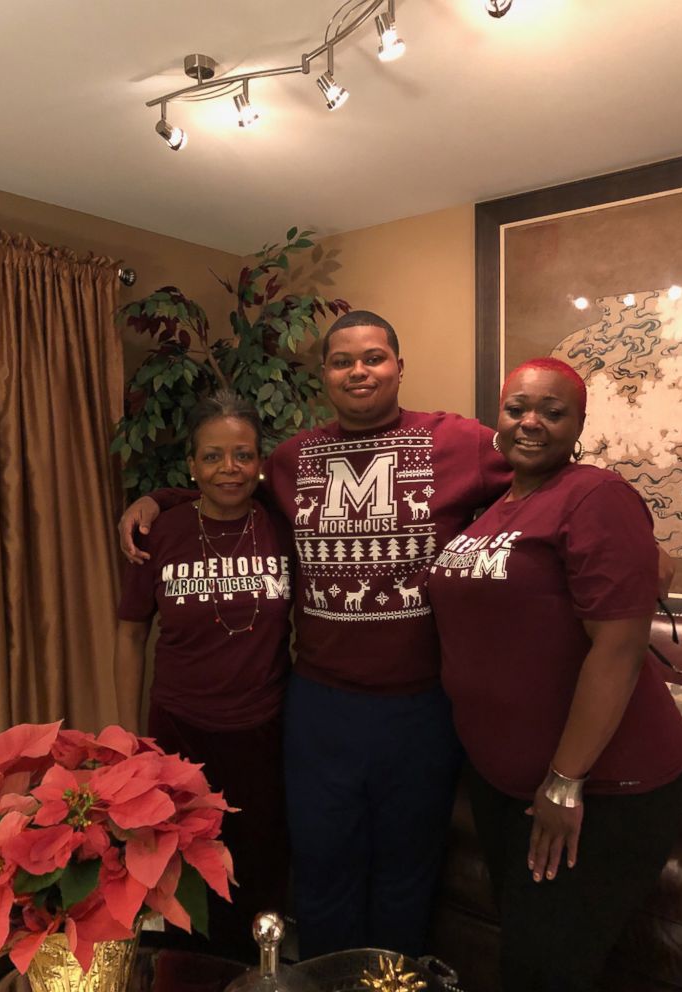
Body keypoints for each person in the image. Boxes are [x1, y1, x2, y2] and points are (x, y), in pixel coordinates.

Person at [118, 310, 512, 959]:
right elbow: (226, 487)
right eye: (342, 360)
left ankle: (389, 982)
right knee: (321, 868)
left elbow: (543, 465)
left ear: (397, 366)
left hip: (421, 710)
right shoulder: (292, 459)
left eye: (374, 357)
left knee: (407, 871)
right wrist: (157, 500)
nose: (359, 370)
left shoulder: (459, 442)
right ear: (324, 374)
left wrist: (613, 521)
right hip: (321, 707)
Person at [427, 357, 682, 992]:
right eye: (518, 408)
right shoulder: (496, 504)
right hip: (503, 784)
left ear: (579, 424)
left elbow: (621, 649)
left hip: (598, 789)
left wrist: (565, 783)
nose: (532, 422)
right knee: (523, 947)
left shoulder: (595, 494)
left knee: (546, 969)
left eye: (553, 411)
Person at [114, 390, 293, 961]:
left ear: (260, 461)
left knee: (257, 875)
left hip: (264, 730)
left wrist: (153, 494)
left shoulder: (282, 523)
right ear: (192, 465)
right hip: (178, 732)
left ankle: (257, 975)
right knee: (182, 881)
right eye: (212, 457)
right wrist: (129, 742)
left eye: (242, 455)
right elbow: (131, 633)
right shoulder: (160, 533)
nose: (228, 469)